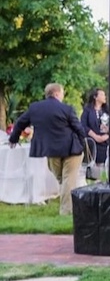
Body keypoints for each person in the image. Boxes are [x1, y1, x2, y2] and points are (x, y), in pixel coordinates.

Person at [8, 83, 86, 215]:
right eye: (62, 93)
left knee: (66, 178)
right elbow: (78, 128)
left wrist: (13, 139)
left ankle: (66, 211)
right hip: (72, 148)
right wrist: (83, 142)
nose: (63, 96)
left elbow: (20, 122)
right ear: (56, 93)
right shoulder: (67, 109)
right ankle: (71, 206)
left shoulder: (35, 108)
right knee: (65, 179)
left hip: (51, 150)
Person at [80, 87, 110, 179]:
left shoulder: (107, 111)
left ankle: (103, 180)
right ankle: (95, 180)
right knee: (93, 162)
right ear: (95, 97)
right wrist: (95, 136)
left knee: (104, 162)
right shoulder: (88, 110)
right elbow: (83, 125)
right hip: (92, 141)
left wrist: (107, 135)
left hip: (106, 141)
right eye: (102, 94)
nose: (104, 96)